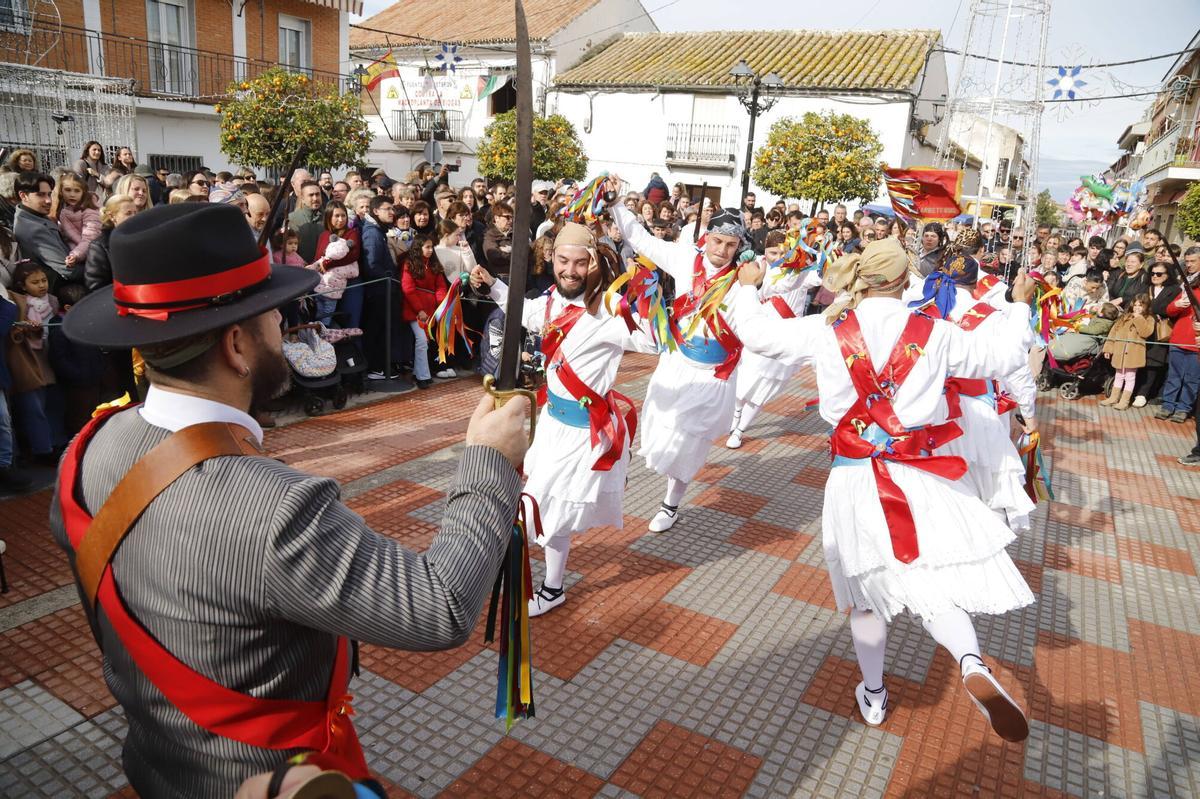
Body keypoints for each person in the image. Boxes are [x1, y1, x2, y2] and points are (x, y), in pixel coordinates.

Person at [49, 201, 528, 795]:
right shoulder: (274, 509)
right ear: (236, 347)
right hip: (276, 782)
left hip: (157, 767)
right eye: (271, 316)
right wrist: (487, 460)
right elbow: (440, 606)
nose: (285, 325)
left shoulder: (89, 444)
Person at [727, 236, 1038, 742]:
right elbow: (1001, 356)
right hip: (922, 473)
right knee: (935, 581)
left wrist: (745, 290)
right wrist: (1021, 305)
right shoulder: (936, 332)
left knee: (865, 593)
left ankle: (873, 692)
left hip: (855, 477)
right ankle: (970, 661)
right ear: (903, 281)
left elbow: (758, 335)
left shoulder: (826, 330)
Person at [470, 222, 653, 616]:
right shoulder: (552, 301)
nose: (570, 270)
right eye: (563, 260)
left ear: (595, 264)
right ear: (552, 259)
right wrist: (492, 286)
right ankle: (552, 585)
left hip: (584, 435)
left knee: (542, 511)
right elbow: (528, 313)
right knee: (543, 511)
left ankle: (550, 588)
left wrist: (648, 299)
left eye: (580, 263)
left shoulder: (608, 310)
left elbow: (652, 340)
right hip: (552, 426)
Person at [608, 174, 749, 532]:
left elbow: (755, 326)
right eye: (718, 241)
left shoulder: (744, 281)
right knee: (658, 434)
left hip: (712, 374)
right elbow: (639, 238)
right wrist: (612, 204)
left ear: (739, 247)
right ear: (706, 238)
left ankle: (670, 505)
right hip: (675, 363)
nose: (722, 250)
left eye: (731, 245)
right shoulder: (687, 259)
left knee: (687, 446)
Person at [905, 229, 1038, 532]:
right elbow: (1013, 367)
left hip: (923, 408)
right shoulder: (990, 316)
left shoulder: (919, 309)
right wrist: (1027, 415)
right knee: (983, 484)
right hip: (976, 411)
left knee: (929, 479)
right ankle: (980, 540)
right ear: (976, 283)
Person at [728, 229, 822, 448]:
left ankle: (740, 430)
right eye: (772, 252)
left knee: (764, 387)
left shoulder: (800, 271)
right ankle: (734, 417)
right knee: (744, 382)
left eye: (782, 252)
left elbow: (818, 276)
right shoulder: (757, 268)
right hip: (759, 334)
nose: (777, 257)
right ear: (765, 251)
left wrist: (823, 256)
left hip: (787, 338)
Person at [1155, 246, 1200, 422]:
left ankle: (1183, 408)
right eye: (1187, 262)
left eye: (1193, 261)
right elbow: (1169, 309)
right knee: (1174, 376)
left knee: (1192, 379)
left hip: (1196, 341)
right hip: (1180, 336)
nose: (1188, 265)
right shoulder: (1186, 284)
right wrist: (1177, 305)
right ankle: (1168, 405)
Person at [401, 236, 449, 388]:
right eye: (427, 247)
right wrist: (419, 309)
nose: (430, 250)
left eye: (431, 247)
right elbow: (408, 289)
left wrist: (441, 306)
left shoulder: (434, 264)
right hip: (416, 310)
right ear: (419, 248)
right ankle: (422, 376)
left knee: (425, 341)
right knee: (422, 340)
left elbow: (441, 287)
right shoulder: (409, 264)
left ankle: (421, 373)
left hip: (431, 310)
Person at [1134, 260, 1181, 407]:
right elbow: (1135, 302)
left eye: (1159, 274)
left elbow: (1169, 310)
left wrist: (1154, 308)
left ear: (1168, 275)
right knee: (1138, 359)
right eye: (1152, 273)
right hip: (1142, 327)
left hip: (1160, 331)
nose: (1155, 276)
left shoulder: (1175, 290)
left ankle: (1143, 393)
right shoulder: (1145, 287)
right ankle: (1134, 390)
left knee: (1153, 362)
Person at [13, 171, 73, 285]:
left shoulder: (34, 215)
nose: (48, 200)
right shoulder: (33, 229)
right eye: (40, 194)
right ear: (23, 196)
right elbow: (68, 270)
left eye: (49, 194)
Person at [1101, 293, 1156, 410]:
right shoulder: (1124, 317)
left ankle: (1125, 401)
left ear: (1146, 307)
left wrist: (1138, 318)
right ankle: (1113, 397)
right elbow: (1113, 333)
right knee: (1119, 375)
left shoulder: (1149, 319)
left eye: (1140, 306)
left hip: (1133, 354)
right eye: (1135, 305)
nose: (1137, 308)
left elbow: (1145, 332)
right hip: (1119, 352)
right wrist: (1108, 349)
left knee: (1130, 377)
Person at [311, 202, 361, 328]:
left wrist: (329, 263)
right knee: (320, 314)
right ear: (329, 217)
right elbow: (317, 257)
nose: (341, 219)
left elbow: (353, 255)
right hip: (324, 284)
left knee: (339, 318)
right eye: (337, 216)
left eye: (343, 216)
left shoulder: (352, 233)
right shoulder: (324, 235)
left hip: (347, 285)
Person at [55, 172, 101, 271]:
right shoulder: (64, 208)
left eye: (77, 191)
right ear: (61, 191)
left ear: (83, 192)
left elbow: (90, 238)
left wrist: (75, 255)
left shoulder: (90, 211)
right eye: (68, 190)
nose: (72, 194)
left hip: (93, 258)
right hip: (80, 256)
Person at [288, 180, 325, 263]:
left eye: (317, 194)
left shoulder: (329, 216)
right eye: (311, 195)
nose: (315, 198)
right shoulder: (292, 219)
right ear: (303, 198)